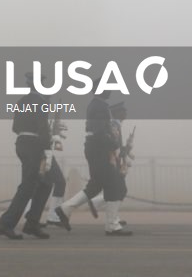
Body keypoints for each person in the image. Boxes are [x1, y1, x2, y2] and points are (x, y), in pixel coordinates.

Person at [55, 87, 133, 236]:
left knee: (95, 186)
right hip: (99, 149)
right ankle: (112, 225)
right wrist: (113, 144)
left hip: (96, 148)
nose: (110, 90)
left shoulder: (96, 104)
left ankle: (65, 209)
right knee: (114, 184)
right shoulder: (100, 106)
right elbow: (99, 131)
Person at [0, 73, 52, 240]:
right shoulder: (41, 103)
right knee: (28, 186)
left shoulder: (21, 102)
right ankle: (6, 224)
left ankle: (32, 223)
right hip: (34, 145)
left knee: (44, 183)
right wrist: (47, 150)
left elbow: (15, 127)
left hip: (21, 142)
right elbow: (43, 129)